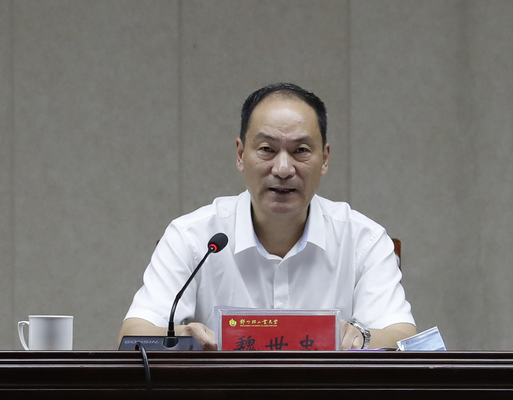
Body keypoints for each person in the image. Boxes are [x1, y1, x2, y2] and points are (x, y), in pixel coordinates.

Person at [119, 83, 416, 350]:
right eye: (267, 149)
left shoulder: (363, 240)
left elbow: (402, 335)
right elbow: (133, 335)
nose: (283, 169)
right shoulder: (193, 237)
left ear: (324, 159)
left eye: (300, 150)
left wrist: (362, 337)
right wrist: (182, 336)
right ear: (240, 154)